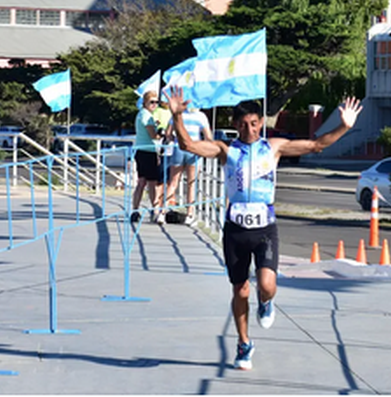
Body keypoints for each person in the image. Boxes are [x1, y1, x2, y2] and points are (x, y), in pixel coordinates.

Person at [166, 86, 362, 371]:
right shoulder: (226, 149)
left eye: (255, 123)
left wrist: (344, 126)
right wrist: (176, 117)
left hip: (264, 228)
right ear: (235, 125)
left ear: (261, 123)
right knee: (240, 290)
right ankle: (244, 343)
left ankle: (266, 302)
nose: (250, 129)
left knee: (267, 285)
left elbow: (316, 145)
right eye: (244, 124)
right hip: (236, 229)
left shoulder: (274, 147)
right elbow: (188, 146)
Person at [165, 106, 213, 225]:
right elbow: (208, 137)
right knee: (192, 183)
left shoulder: (178, 114)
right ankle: (190, 214)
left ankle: (162, 211)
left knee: (173, 182)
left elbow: (168, 133)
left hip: (178, 148)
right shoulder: (201, 116)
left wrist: (172, 139)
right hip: (194, 149)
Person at [131, 91, 163, 224]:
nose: (154, 105)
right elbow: (153, 135)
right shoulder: (146, 115)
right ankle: (154, 211)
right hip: (148, 152)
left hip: (141, 151)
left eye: (156, 102)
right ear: (145, 102)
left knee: (142, 182)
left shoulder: (142, 114)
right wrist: (161, 134)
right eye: (152, 102)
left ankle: (135, 210)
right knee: (151, 183)